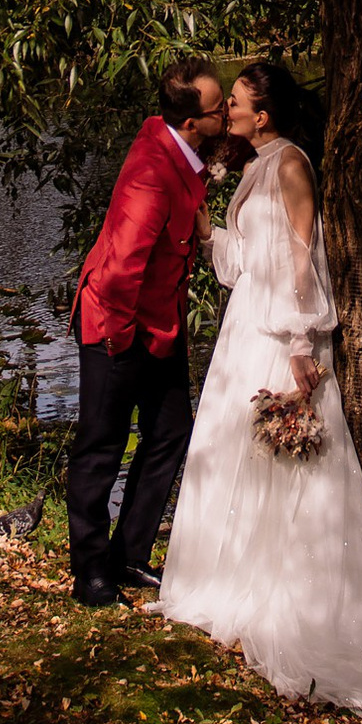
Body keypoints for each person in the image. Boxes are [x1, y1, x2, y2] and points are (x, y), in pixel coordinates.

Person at [157, 55, 362, 723]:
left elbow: (303, 258)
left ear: (267, 112)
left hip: (280, 334)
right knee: (234, 454)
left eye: (238, 102)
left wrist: (304, 342)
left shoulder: (290, 164)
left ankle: (296, 610)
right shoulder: (256, 165)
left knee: (285, 466)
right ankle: (224, 586)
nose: (228, 110)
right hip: (245, 325)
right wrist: (203, 225)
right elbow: (245, 265)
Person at [65, 58, 226, 606]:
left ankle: (128, 553)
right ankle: (90, 572)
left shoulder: (175, 145)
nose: (226, 111)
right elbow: (121, 268)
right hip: (117, 323)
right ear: (191, 122)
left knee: (170, 432)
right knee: (102, 446)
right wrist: (118, 341)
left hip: (160, 324)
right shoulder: (154, 172)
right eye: (218, 107)